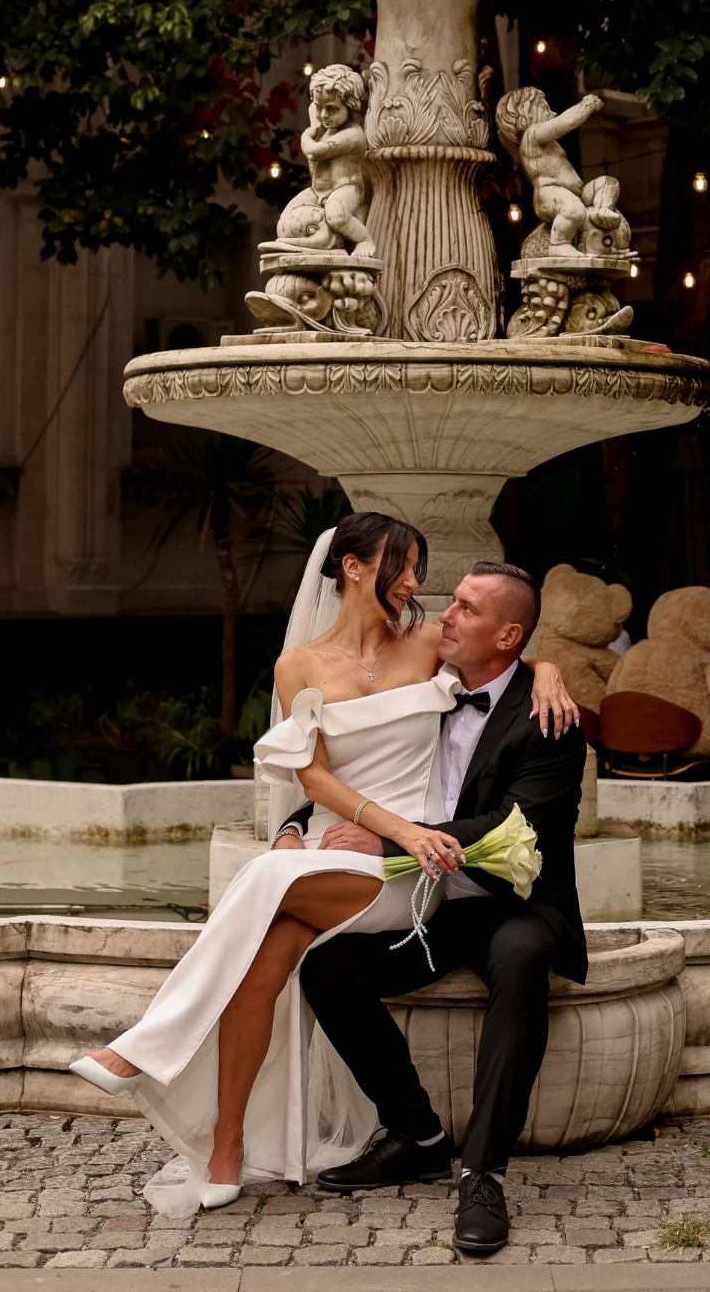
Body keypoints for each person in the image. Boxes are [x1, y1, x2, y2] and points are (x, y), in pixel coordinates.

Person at [65, 513, 576, 1212]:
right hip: (347, 855)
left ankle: (144, 1048)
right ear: (354, 567)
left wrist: (550, 669)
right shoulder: (297, 666)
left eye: (425, 572)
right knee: (273, 941)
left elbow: (508, 659)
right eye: (404, 565)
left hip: (409, 869)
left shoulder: (429, 645)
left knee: (268, 885)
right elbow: (314, 779)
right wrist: (296, 829)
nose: (420, 587)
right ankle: (226, 1150)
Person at [294, 560, 588, 1257]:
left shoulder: (550, 720)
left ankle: (482, 1173)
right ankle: (417, 1136)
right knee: (327, 967)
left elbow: (514, 826)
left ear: (508, 635)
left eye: (465, 607)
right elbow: (359, 759)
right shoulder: (427, 688)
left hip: (513, 904)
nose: (444, 615)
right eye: (449, 601)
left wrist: (394, 833)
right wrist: (297, 821)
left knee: (520, 961)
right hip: (427, 906)